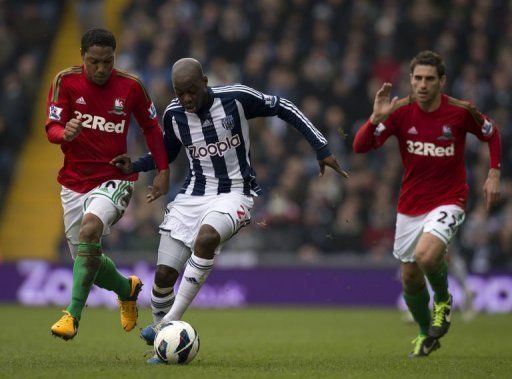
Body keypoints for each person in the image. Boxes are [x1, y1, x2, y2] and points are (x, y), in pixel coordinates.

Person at [112, 57, 348, 363]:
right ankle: (163, 344)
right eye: (179, 92)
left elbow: (283, 106)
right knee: (163, 275)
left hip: (235, 193)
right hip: (192, 197)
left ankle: (164, 323)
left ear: (205, 82)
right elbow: (166, 154)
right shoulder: (173, 114)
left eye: (191, 91)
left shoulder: (235, 98)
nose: (186, 98)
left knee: (207, 238)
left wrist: (322, 148)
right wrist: (136, 164)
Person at [353, 50, 501, 357]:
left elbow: (492, 132)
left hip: (451, 199)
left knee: (426, 255)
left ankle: (444, 301)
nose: (422, 84)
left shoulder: (461, 111)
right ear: (410, 80)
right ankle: (425, 334)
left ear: (442, 81)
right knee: (409, 278)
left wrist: (494, 172)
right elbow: (360, 146)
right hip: (411, 204)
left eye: (429, 79)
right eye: (417, 78)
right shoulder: (399, 111)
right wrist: (375, 118)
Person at [45, 28, 170, 340]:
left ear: (115, 57)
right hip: (74, 182)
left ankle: (71, 314)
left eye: (107, 61)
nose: (101, 68)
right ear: (82, 58)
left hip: (115, 177)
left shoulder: (131, 86)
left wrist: (163, 168)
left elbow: (152, 127)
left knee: (90, 230)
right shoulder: (65, 81)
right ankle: (126, 288)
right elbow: (52, 127)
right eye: (94, 62)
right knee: (86, 260)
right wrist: (65, 134)